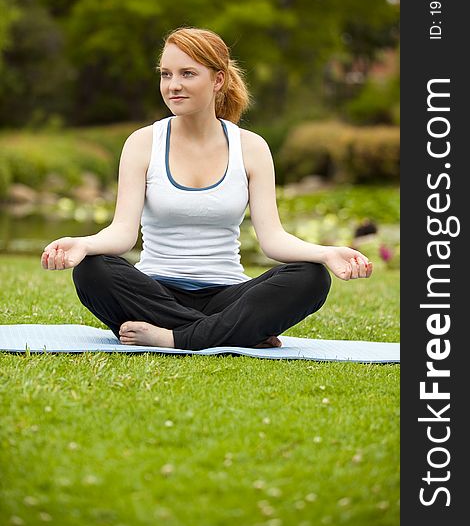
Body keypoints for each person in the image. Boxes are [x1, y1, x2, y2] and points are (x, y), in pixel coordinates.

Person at [41, 27, 373, 351]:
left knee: (311, 278)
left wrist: (326, 253)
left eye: (187, 74)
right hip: (154, 294)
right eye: (166, 74)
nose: (173, 86)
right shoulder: (143, 143)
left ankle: (176, 337)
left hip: (226, 295)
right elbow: (122, 234)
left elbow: (273, 240)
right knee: (93, 269)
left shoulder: (251, 148)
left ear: (218, 80)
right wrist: (82, 244)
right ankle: (233, 332)